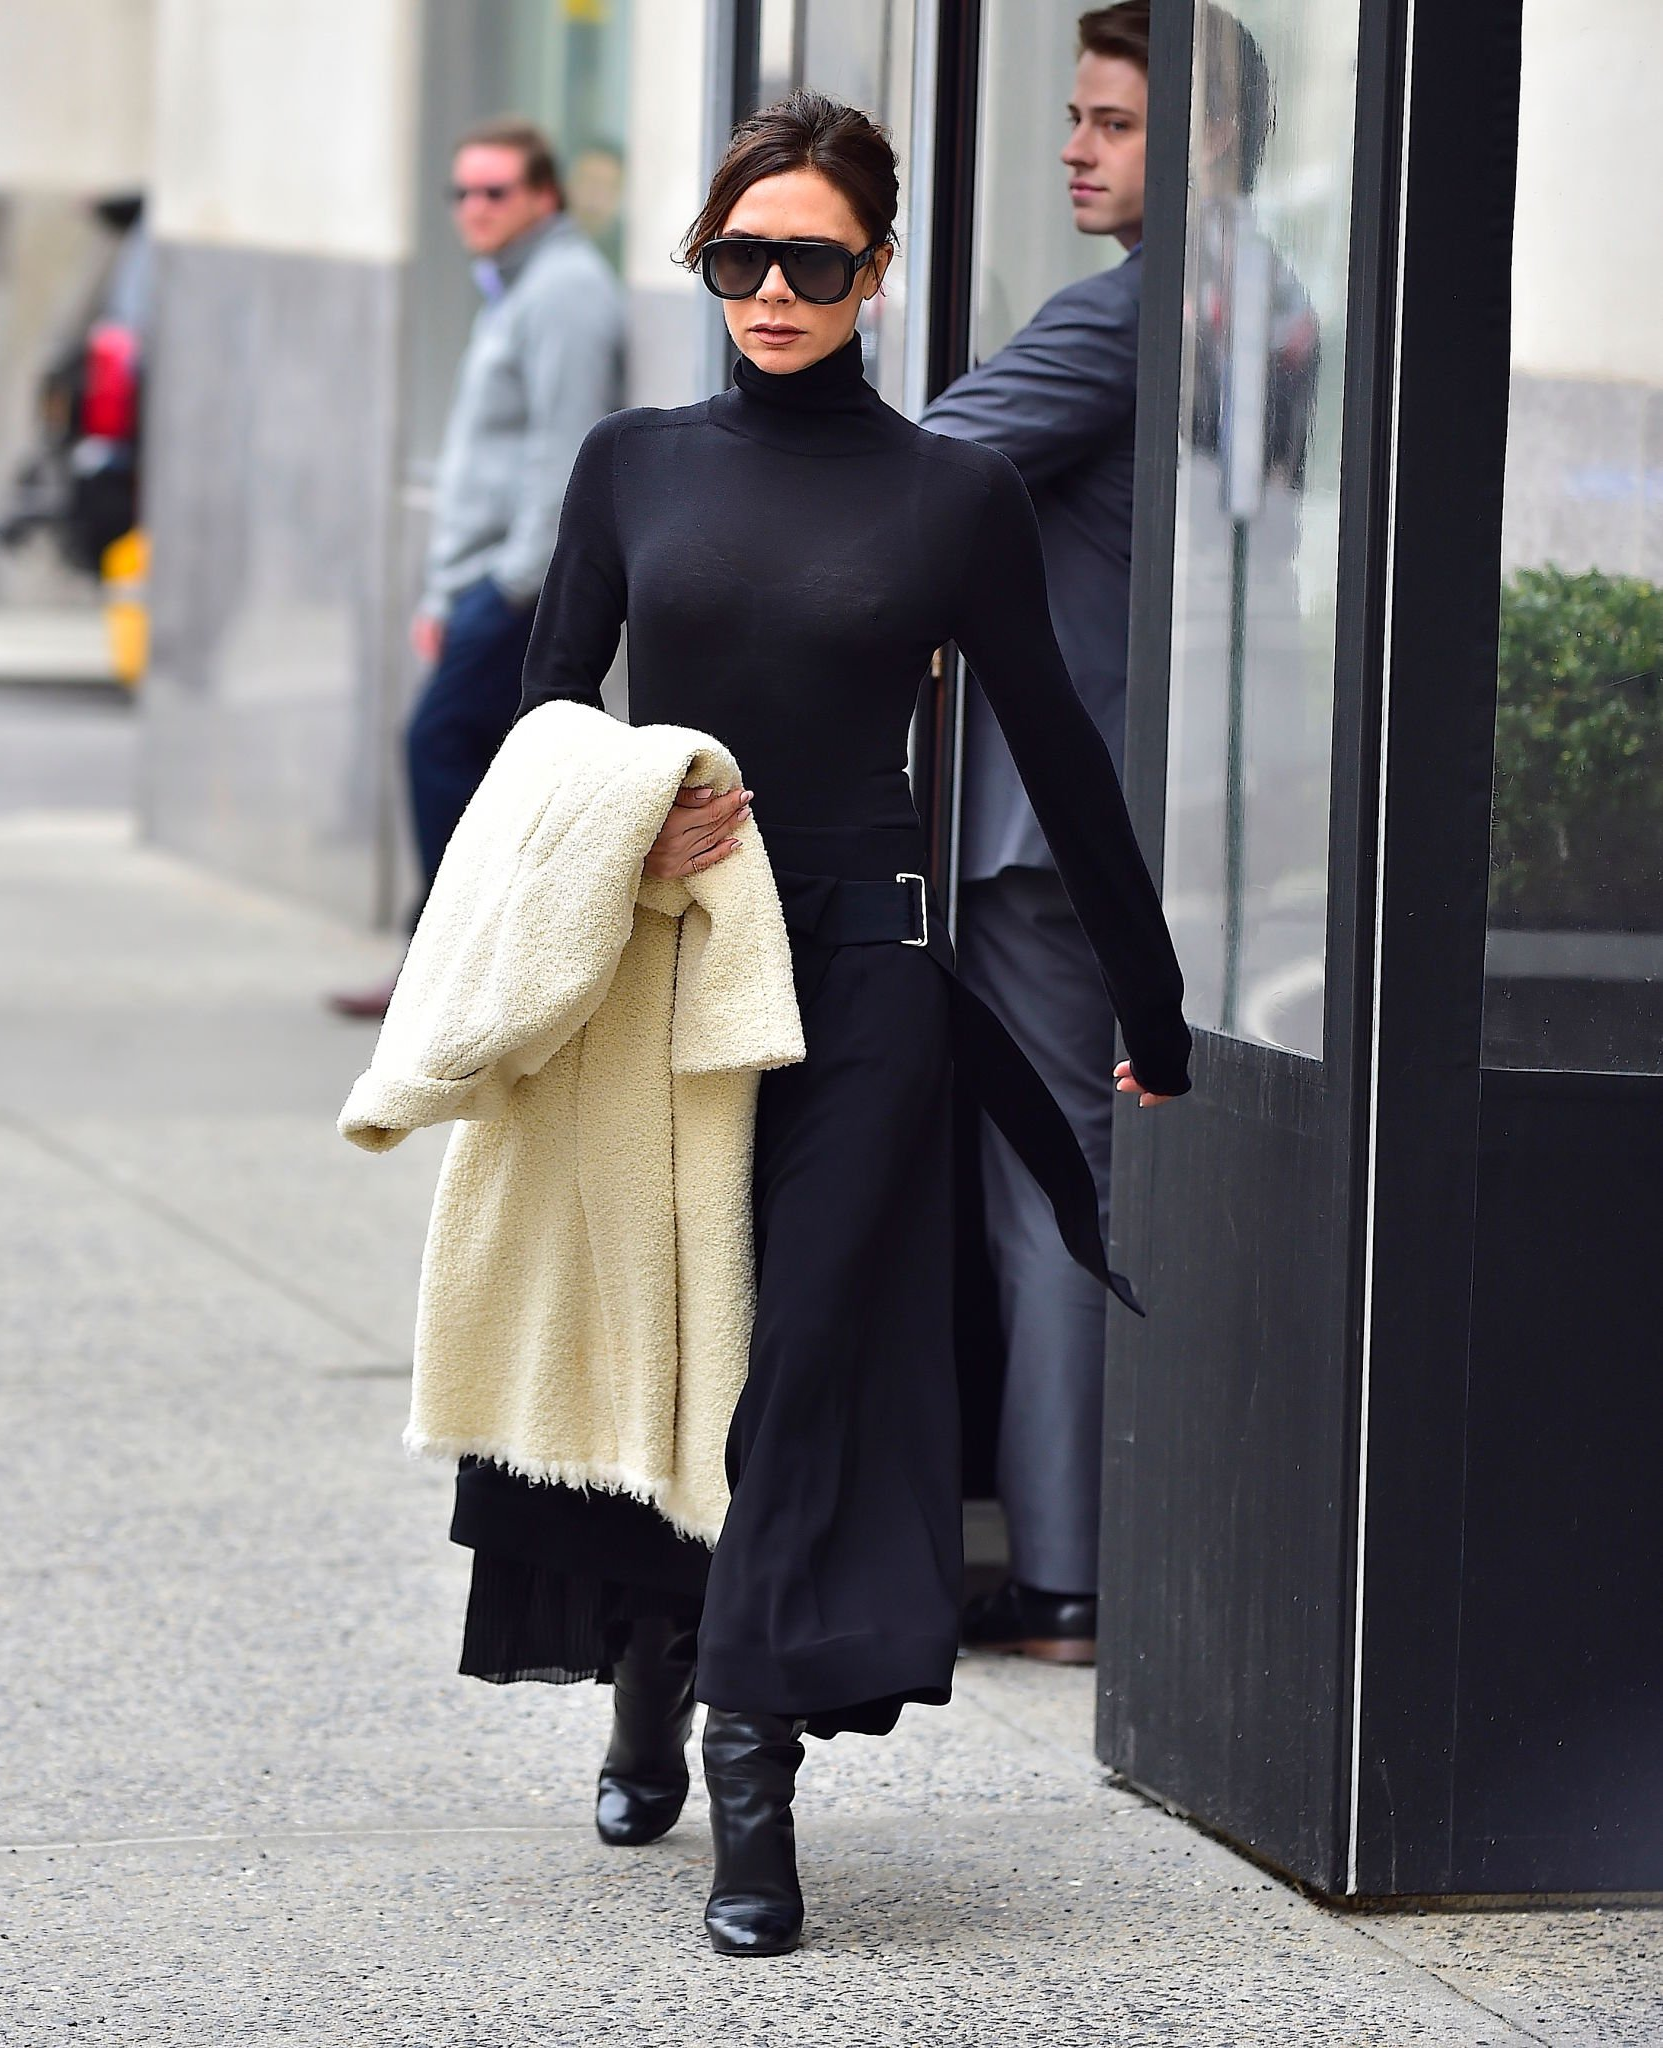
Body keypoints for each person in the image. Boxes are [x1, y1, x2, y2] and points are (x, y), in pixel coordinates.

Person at [443, 91, 1192, 1957]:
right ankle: (649, 1659)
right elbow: (545, 713)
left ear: (875, 271)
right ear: (704, 263)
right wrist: (627, 821)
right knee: (667, 1337)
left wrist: (1150, 999)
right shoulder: (630, 464)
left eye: (810, 260)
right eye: (738, 257)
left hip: (862, 982)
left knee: (800, 1363)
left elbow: (1058, 748)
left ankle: (747, 1757)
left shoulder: (951, 495)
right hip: (662, 970)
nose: (770, 291)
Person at [920, 0, 1152, 1666]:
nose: (1070, 148)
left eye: (1110, 122)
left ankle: (1062, 1569)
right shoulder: (1260, 306)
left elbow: (917, 468)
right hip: (1154, 819)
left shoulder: (1117, 318)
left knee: (1049, 1189)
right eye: (1070, 116)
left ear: (1202, 142)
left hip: (1044, 836)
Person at [329, 119, 624, 1018]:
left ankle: (449, 963)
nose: (473, 208)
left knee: (437, 745)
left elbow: (563, 450)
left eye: (494, 192)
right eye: (461, 192)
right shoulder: (517, 287)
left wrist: (509, 587)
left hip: (518, 586)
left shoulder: (564, 291)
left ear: (544, 197)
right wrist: (443, 591)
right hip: (482, 583)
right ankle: (475, 967)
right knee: (495, 775)